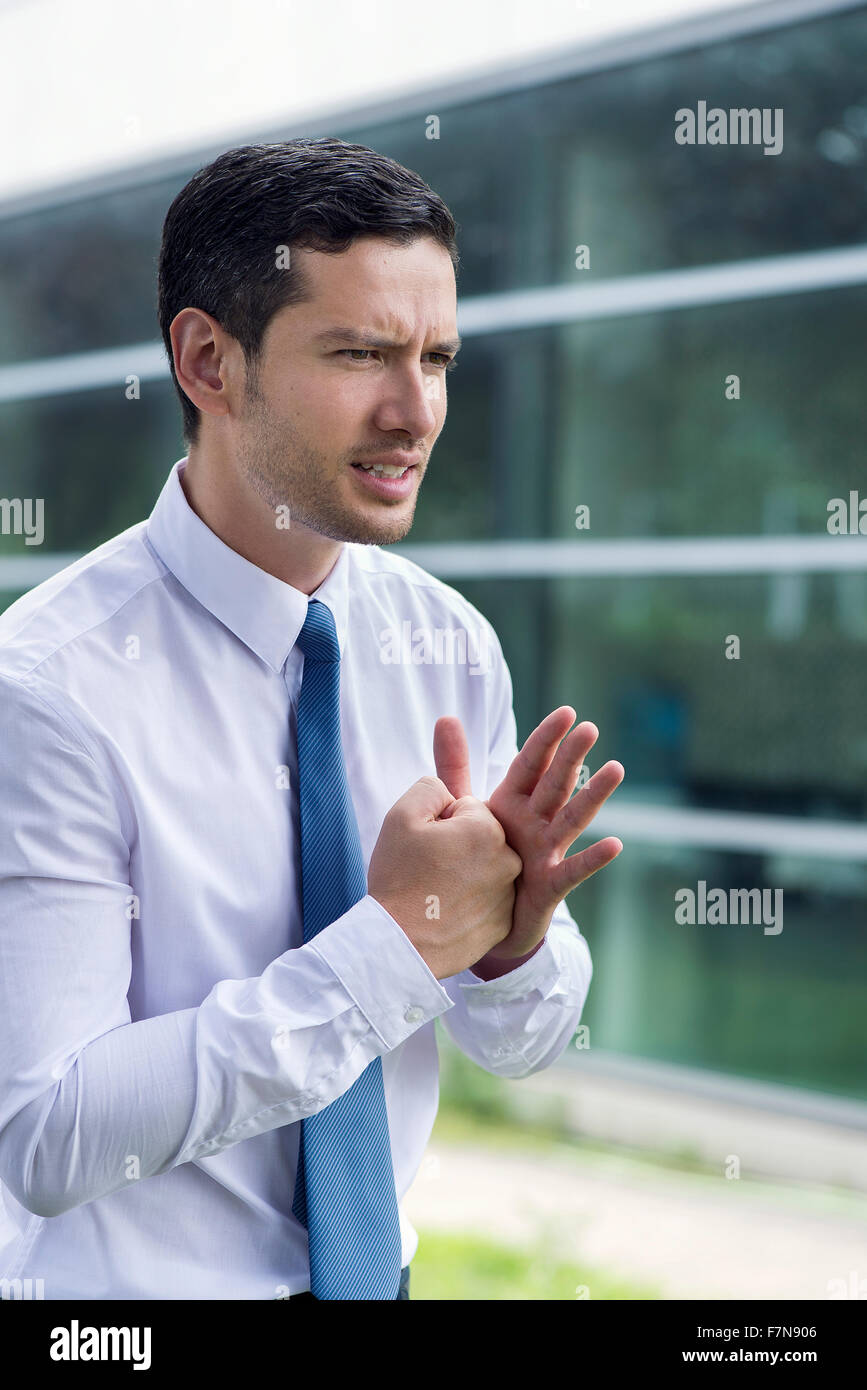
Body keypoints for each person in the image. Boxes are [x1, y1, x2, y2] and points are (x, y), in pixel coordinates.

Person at [0, 138, 624, 1301]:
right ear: (207, 361)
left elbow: (524, 1043)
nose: (416, 411)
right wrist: (395, 939)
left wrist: (509, 942)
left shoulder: (449, 646)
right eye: (361, 354)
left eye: (437, 357)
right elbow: (48, 1135)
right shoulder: (47, 694)